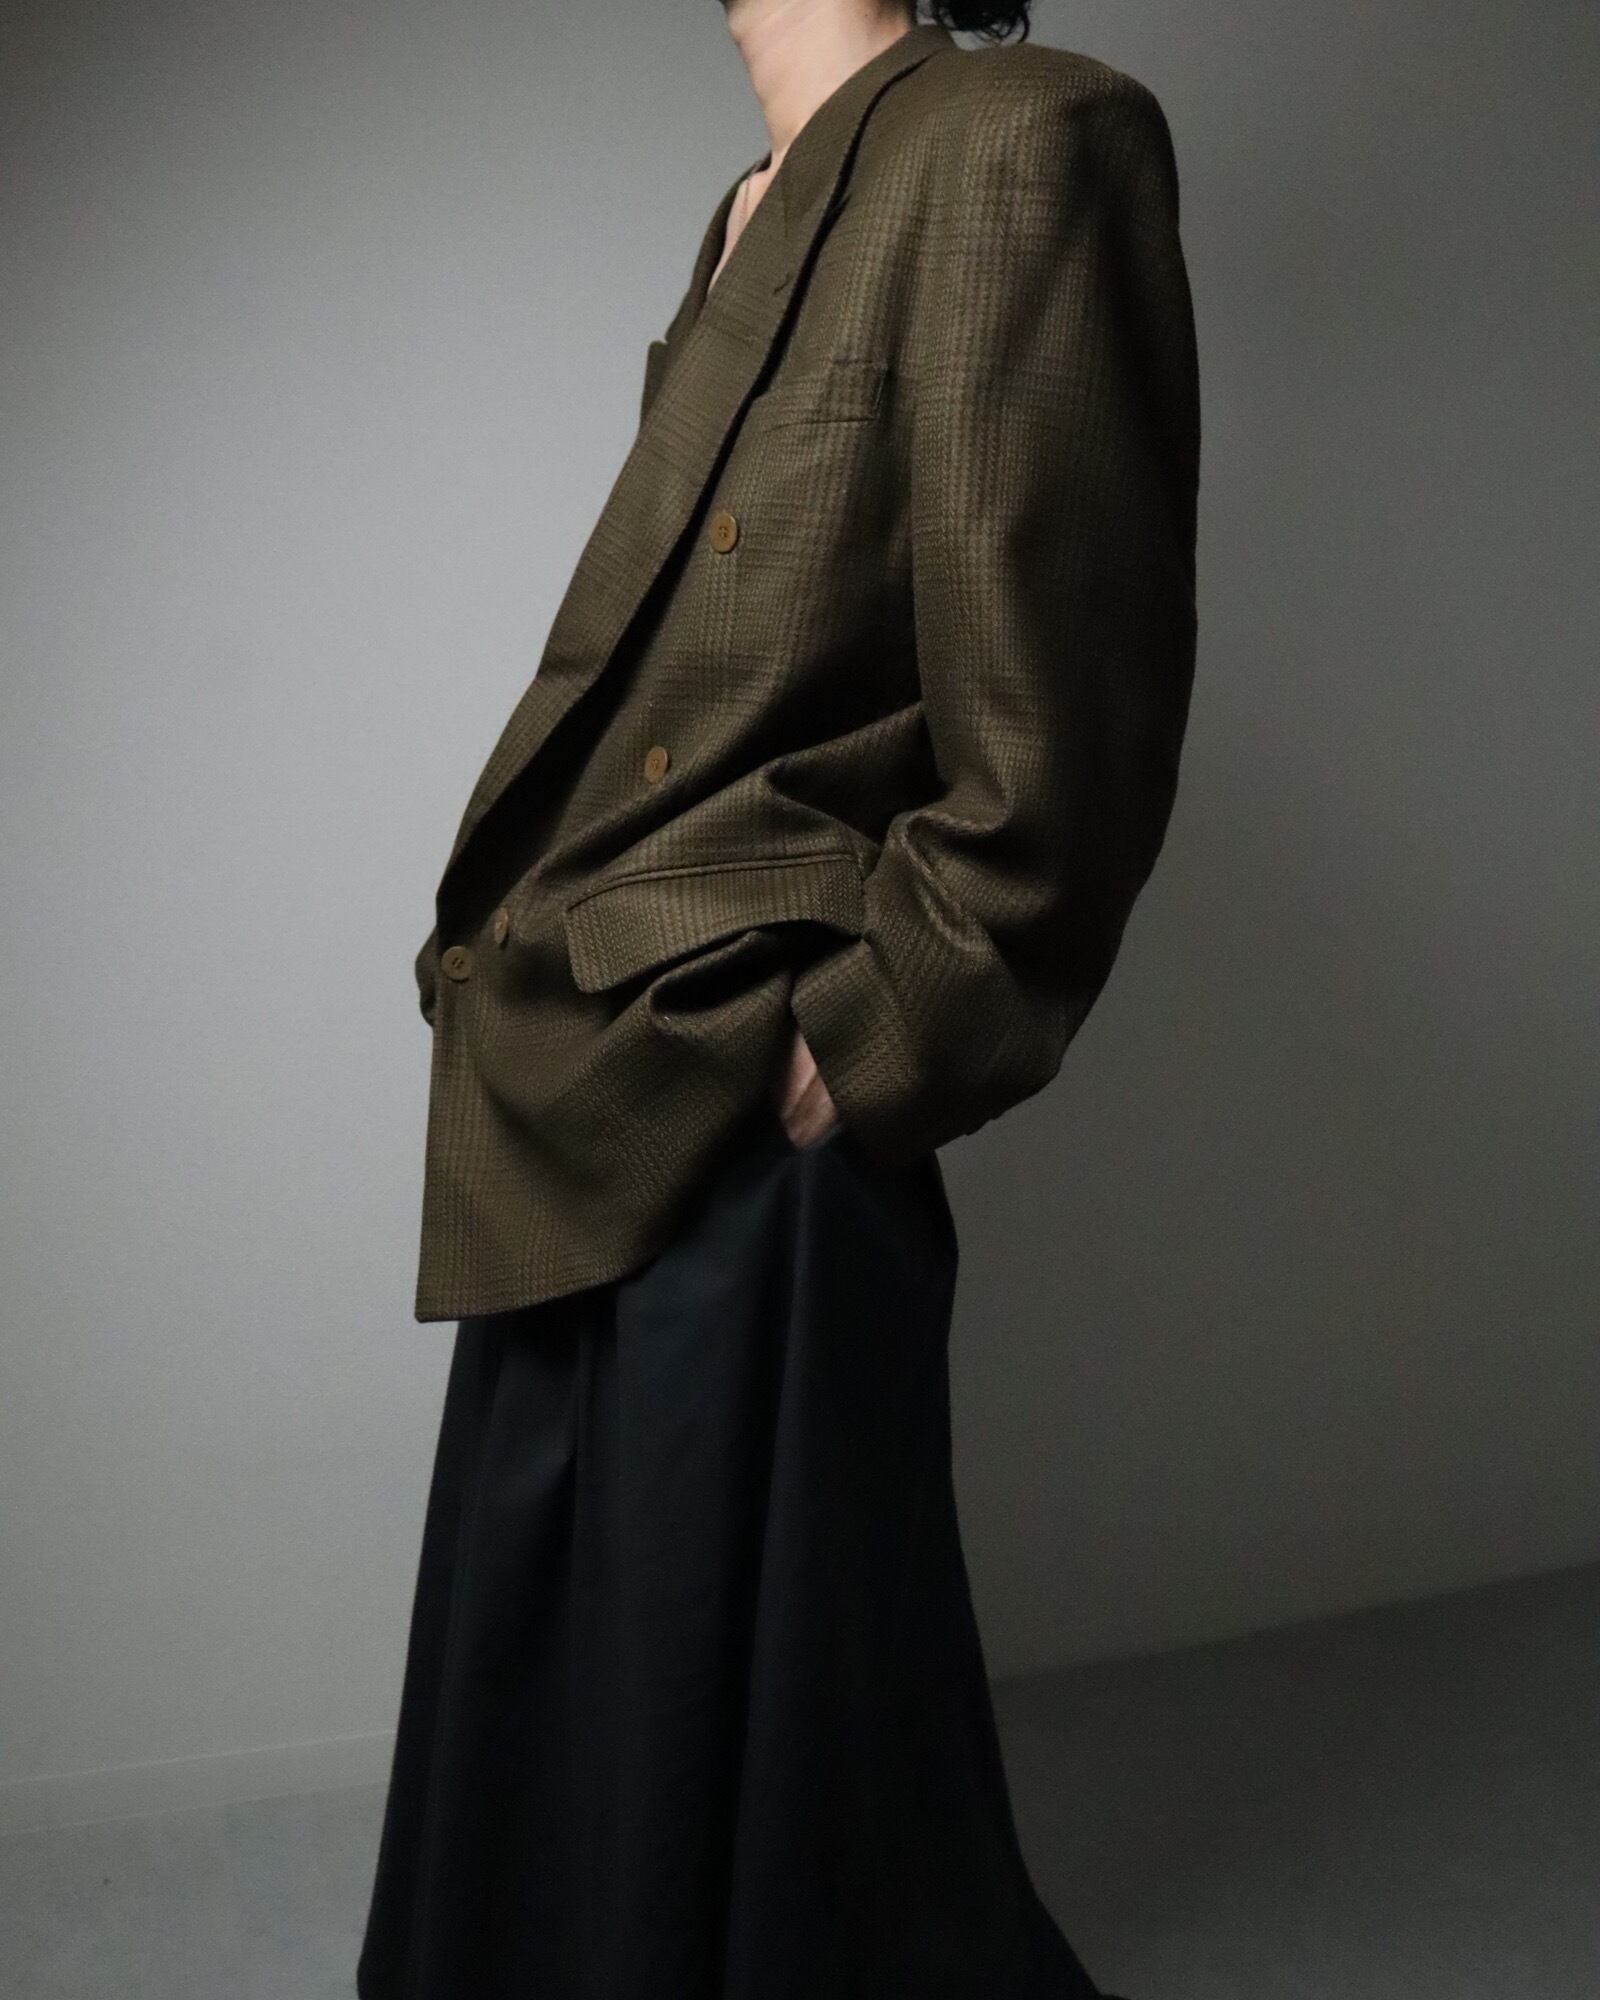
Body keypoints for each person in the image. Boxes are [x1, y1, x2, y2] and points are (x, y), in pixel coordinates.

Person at [357, 2, 1198, 1995]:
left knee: (746, 1753)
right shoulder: (752, 202)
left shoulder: (1020, 135)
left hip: (751, 1063)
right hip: (589, 1042)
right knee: (579, 1697)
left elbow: (1068, 694)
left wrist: (870, 1032)